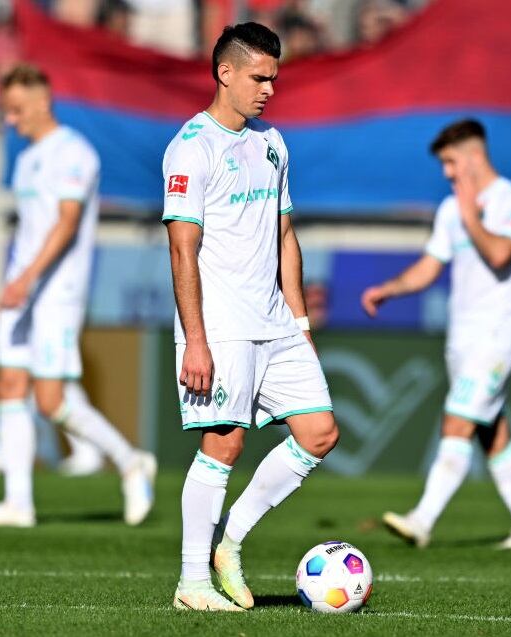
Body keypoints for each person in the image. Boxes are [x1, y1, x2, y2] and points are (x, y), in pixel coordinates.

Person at [163, 23, 339, 611]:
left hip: (277, 323)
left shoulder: (272, 143)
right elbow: (181, 249)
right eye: (259, 78)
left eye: (274, 79)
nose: (268, 89)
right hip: (223, 326)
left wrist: (302, 324)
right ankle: (191, 582)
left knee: (319, 433)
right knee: (224, 445)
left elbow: (285, 233)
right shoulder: (192, 147)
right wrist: (196, 341)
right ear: (225, 73)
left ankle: (230, 542)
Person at [0, 64, 156, 529]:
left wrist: (28, 279)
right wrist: (6, 290)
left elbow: (66, 224)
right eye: (7, 110)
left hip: (58, 291)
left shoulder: (75, 153)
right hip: (23, 289)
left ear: (43, 100)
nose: (11, 120)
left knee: (50, 401)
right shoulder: (27, 158)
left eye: (16, 109)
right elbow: (29, 232)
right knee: (9, 385)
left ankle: (130, 461)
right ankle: (17, 503)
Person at [361, 119, 511, 550]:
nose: (447, 173)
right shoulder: (450, 209)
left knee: (459, 418)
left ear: (473, 156)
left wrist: (470, 213)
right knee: (491, 431)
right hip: (461, 338)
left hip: (497, 333)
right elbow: (431, 266)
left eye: (450, 162)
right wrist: (390, 289)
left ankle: (423, 519)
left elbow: (502, 254)